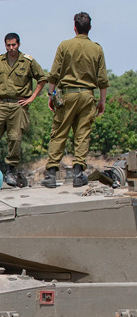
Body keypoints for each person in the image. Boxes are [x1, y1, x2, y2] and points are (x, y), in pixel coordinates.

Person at [42, 11, 108, 188]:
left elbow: (54, 74)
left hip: (67, 95)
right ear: (90, 28)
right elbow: (102, 79)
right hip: (87, 95)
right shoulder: (97, 49)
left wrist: (51, 95)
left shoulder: (65, 45)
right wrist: (102, 101)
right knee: (82, 134)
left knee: (59, 132)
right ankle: (78, 173)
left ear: (74, 27)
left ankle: (51, 174)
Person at [0, 33, 47, 187]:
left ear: (18, 44)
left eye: (14, 45)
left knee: (15, 137)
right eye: (8, 45)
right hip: (0, 103)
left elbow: (42, 78)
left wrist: (32, 98)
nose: (11, 48)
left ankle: (11, 169)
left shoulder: (27, 61)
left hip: (18, 104)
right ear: (5, 45)